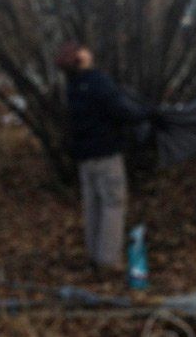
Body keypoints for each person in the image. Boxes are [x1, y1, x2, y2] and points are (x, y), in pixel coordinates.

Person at [55, 42, 154, 274]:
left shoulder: (72, 86)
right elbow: (121, 111)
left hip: (85, 158)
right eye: (83, 49)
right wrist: (148, 113)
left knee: (93, 205)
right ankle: (108, 260)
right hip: (106, 154)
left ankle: (94, 254)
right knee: (113, 203)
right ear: (80, 57)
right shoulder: (97, 82)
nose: (89, 50)